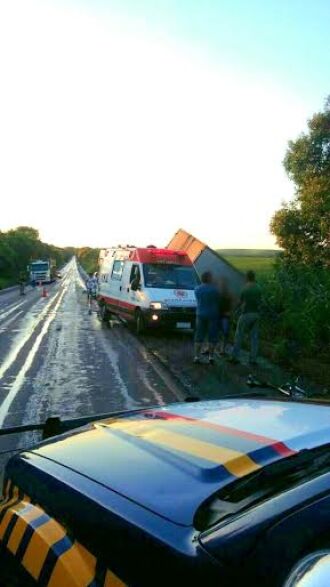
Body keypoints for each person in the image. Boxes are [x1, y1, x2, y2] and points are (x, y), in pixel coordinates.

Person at [230, 270, 262, 365]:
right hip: (256, 315)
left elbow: (240, 303)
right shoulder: (259, 288)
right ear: (254, 277)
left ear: (247, 277)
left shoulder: (245, 288)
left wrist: (234, 311)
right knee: (254, 338)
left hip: (246, 314)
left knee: (239, 335)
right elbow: (260, 302)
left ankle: (234, 357)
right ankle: (253, 359)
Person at [194, 271, 220, 364]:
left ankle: (197, 357)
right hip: (213, 315)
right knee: (212, 336)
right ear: (209, 278)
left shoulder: (197, 289)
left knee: (199, 336)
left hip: (200, 314)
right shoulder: (215, 290)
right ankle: (211, 357)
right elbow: (218, 300)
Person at [217, 277, 232, 355]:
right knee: (215, 332)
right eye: (221, 284)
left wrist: (229, 311)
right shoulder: (217, 293)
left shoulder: (228, 294)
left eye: (223, 284)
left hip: (225, 316)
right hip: (218, 315)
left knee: (225, 333)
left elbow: (231, 305)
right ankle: (215, 348)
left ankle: (222, 349)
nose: (222, 285)